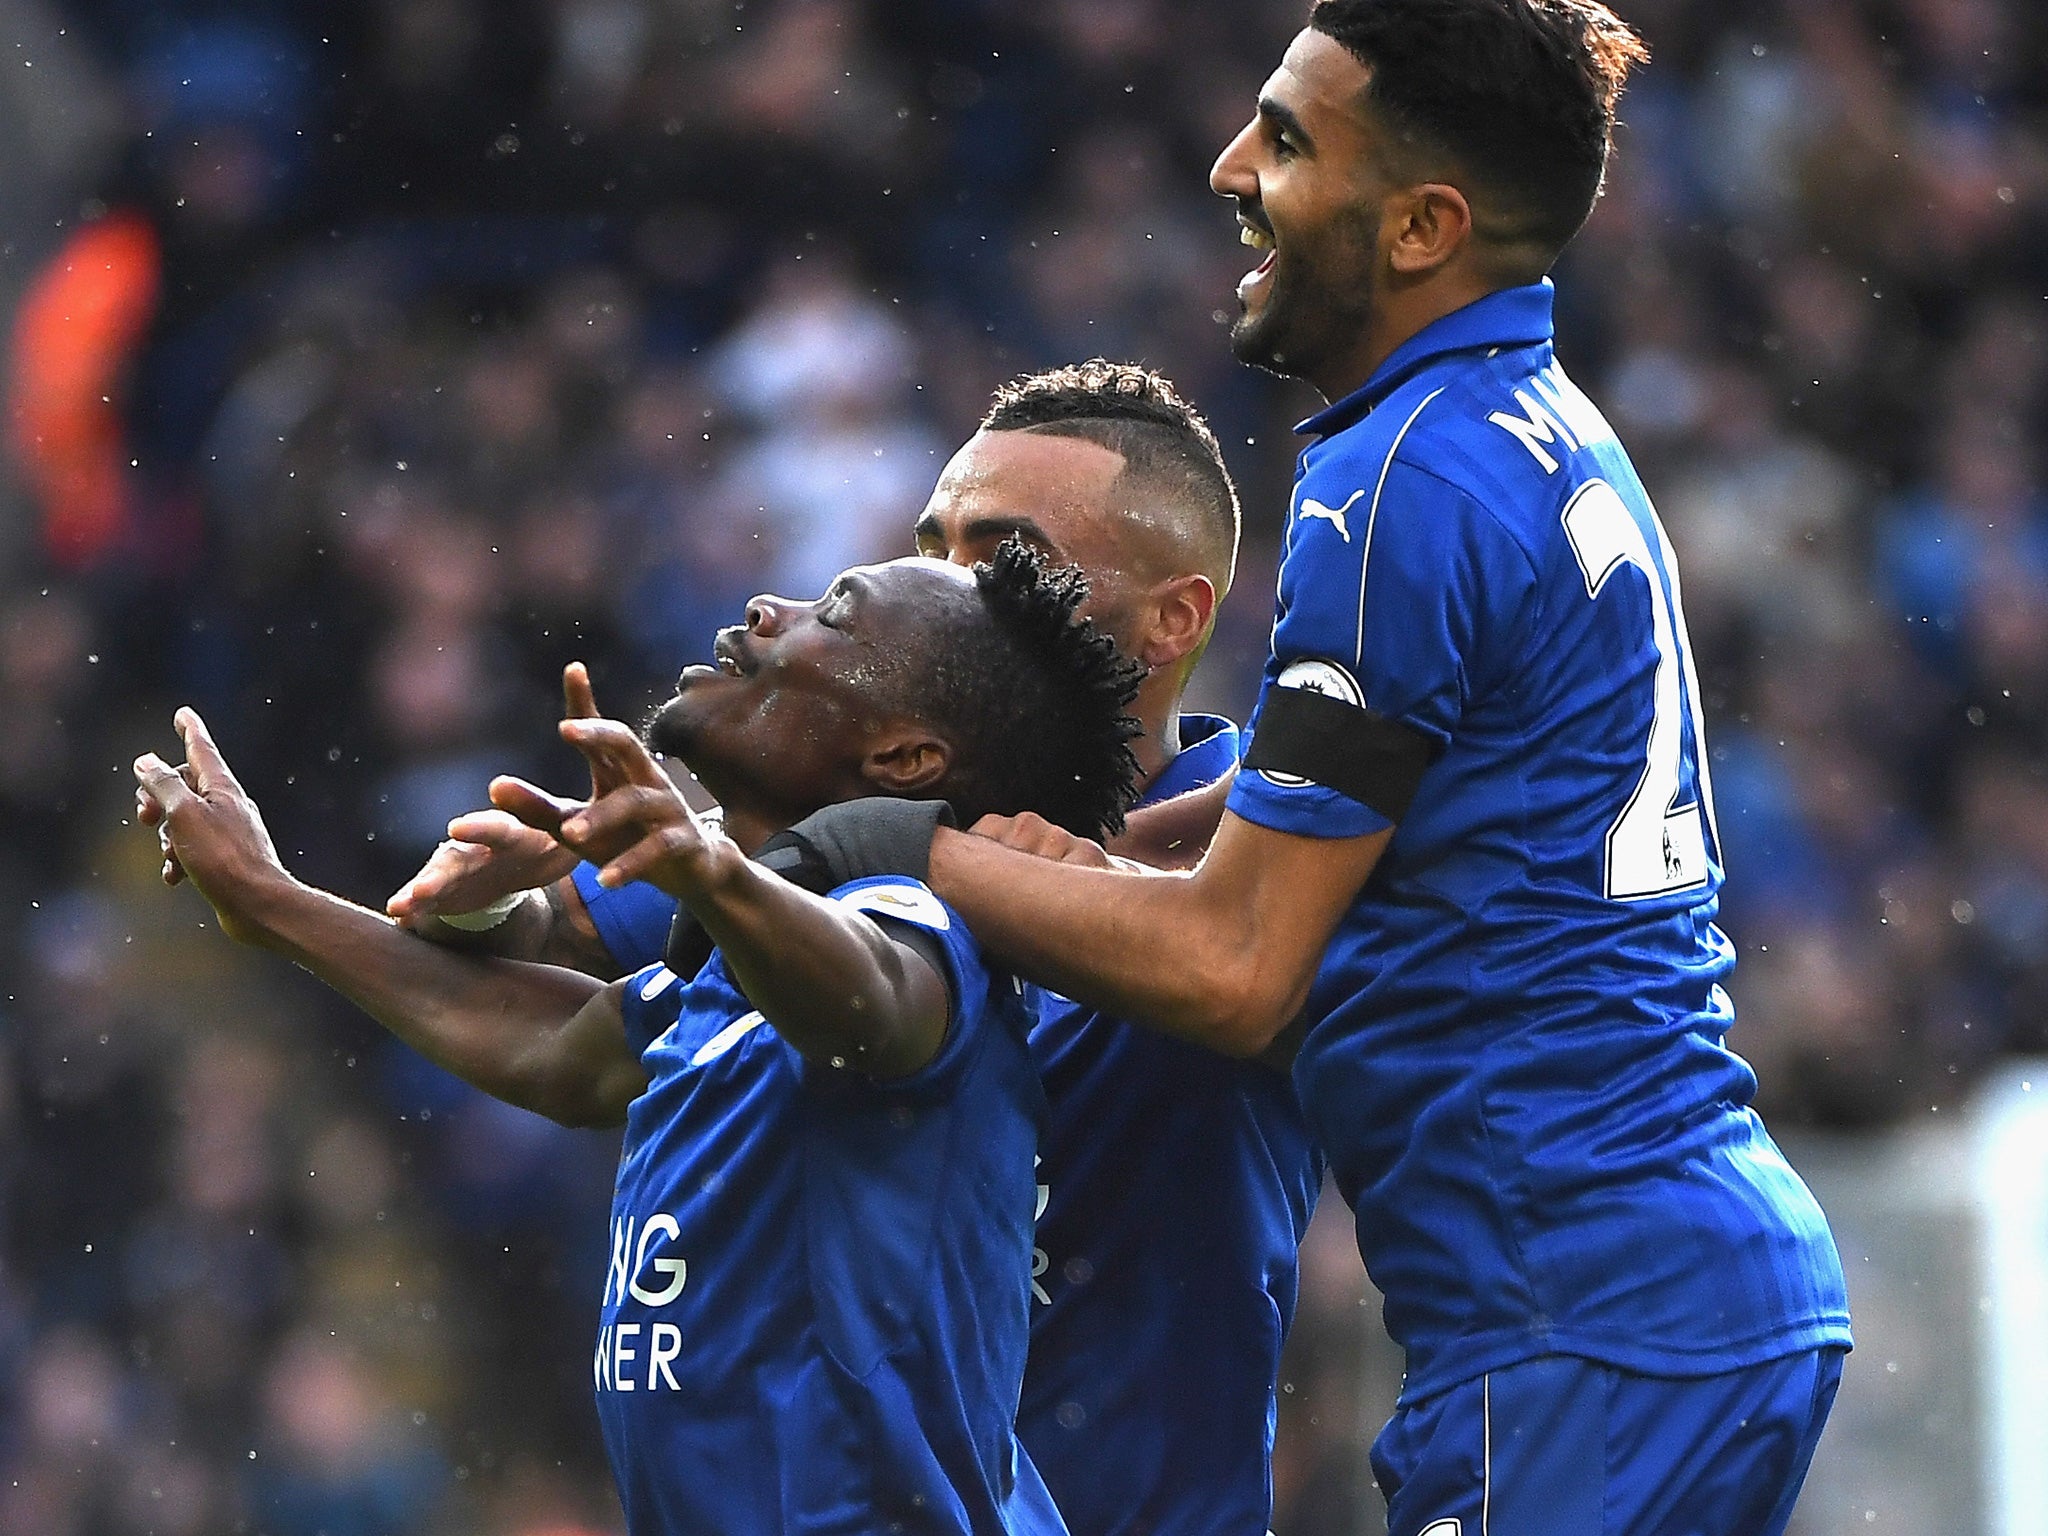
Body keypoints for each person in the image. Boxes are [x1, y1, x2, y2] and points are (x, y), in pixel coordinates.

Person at [824, 5, 1854, 1534]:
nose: (1234, 165)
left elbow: (1240, 964)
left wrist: (893, 847)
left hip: (1580, 1317)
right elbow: (1370, 836)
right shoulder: (1528, 428)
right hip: (1662, 1294)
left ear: (1426, 225)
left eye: (1291, 142)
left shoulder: (1395, 483)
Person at [392, 362, 1325, 1536]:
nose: (945, 580)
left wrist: (1022, 866)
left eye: (1003, 552)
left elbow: (1278, 987)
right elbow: (545, 939)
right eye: (931, 542)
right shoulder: (836, 844)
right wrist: (476, 896)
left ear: (1173, 617)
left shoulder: (1269, 868)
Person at [134, 543, 1144, 1536]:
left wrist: (707, 871)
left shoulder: (922, 925)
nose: (766, 607)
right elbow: (552, 1051)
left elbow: (875, 1002)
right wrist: (271, 902)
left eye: (833, 615)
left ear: (902, 759)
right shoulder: (731, 970)